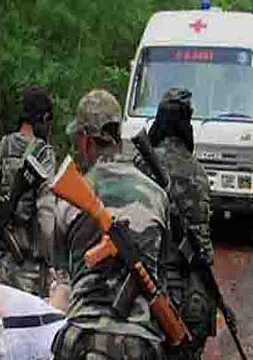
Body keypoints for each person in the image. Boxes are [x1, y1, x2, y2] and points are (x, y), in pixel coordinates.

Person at [51, 89, 168, 359]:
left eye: (77, 141)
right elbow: (162, 275)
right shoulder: (157, 196)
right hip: (140, 343)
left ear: (88, 141)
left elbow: (62, 284)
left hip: (81, 340)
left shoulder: (67, 199)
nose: (77, 149)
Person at [136, 87, 216, 359]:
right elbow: (205, 249)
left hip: (152, 294)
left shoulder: (143, 164)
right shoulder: (200, 174)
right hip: (194, 296)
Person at [0, 85, 56, 297]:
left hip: (1, 262)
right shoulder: (44, 154)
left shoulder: (3, 147)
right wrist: (54, 262)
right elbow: (46, 215)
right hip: (30, 270)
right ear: (43, 119)